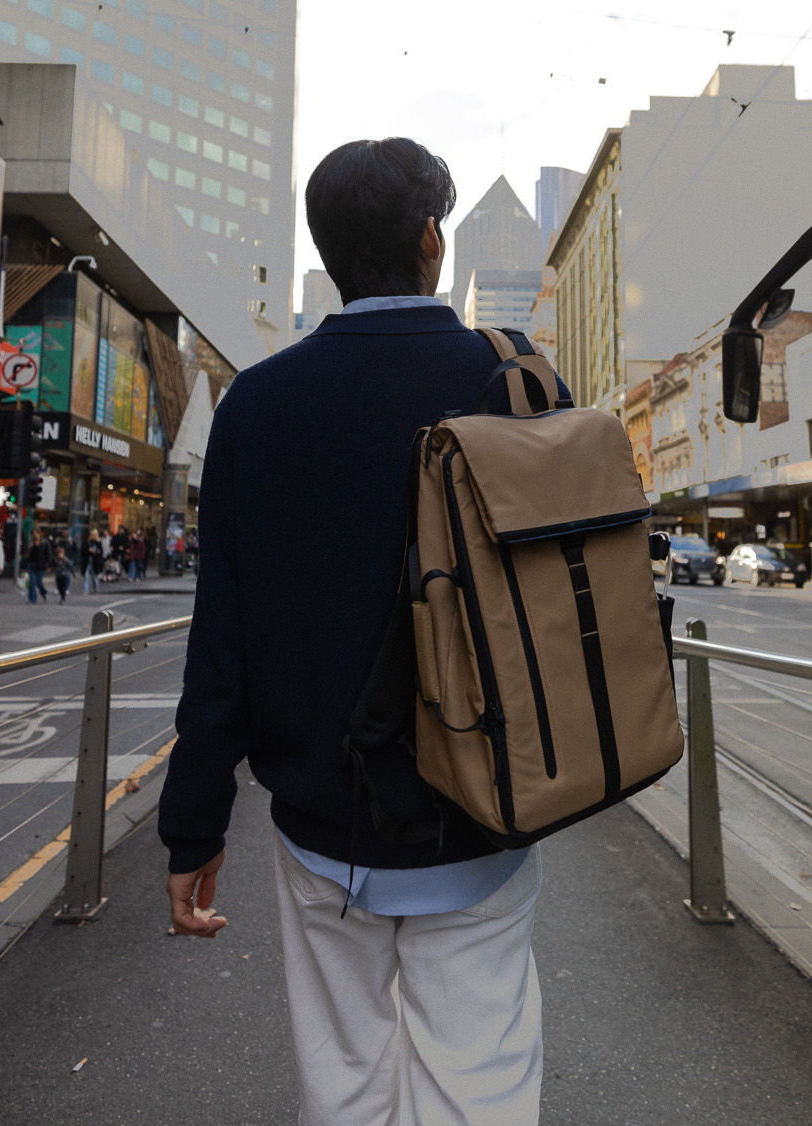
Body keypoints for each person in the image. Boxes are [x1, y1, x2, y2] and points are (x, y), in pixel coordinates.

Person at [159, 138, 565, 1124]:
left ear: (328, 252)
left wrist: (192, 825)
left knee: (341, 1074)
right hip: (483, 812)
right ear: (432, 241)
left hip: (322, 820)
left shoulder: (255, 407)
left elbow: (223, 644)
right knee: (482, 1074)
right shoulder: (515, 383)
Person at [24, 533, 52, 603]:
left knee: (38, 582)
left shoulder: (45, 543)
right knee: (32, 582)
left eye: (36, 533)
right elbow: (26, 554)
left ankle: (44, 593)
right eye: (34, 533)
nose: (35, 535)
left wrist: (48, 565)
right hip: (31, 565)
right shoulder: (31, 543)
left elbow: (48, 554)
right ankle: (32, 599)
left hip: (41, 565)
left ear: (40, 534)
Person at [52, 534, 74, 603]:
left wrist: (73, 573)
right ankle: (62, 596)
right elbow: (53, 565)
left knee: (64, 587)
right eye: (58, 554)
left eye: (61, 554)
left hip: (66, 575)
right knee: (59, 587)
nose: (60, 555)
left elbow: (70, 566)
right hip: (58, 575)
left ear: (63, 553)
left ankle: (63, 597)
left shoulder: (66, 559)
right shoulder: (55, 560)